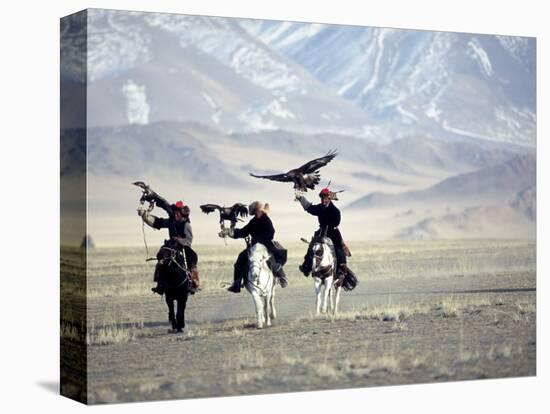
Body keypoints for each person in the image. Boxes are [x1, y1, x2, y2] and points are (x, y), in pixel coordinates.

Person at [137, 195, 200, 294]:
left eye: (178, 213)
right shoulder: (171, 221)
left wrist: (179, 240)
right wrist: (145, 216)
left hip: (183, 247)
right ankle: (159, 284)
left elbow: (189, 241)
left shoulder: (186, 225)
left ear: (182, 214)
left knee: (192, 257)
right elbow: (158, 223)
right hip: (171, 245)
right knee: (160, 257)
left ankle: (194, 283)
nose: (176, 214)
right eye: (175, 212)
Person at [220, 201, 288, 293]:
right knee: (240, 260)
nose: (255, 213)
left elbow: (271, 233)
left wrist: (258, 240)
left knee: (272, 260)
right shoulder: (253, 221)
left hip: (266, 245)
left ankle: (282, 277)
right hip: (254, 247)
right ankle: (236, 284)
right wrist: (229, 232)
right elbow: (244, 232)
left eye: (255, 211)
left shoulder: (266, 220)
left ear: (257, 211)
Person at [297, 187, 348, 280]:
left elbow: (336, 222)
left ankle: (341, 269)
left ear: (329, 198)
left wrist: (328, 227)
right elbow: (310, 208)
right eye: (322, 198)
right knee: (312, 247)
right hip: (321, 232)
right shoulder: (320, 208)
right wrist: (301, 198)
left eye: (325, 197)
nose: (323, 200)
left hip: (333, 233)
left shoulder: (335, 210)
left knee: (338, 248)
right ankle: (306, 267)